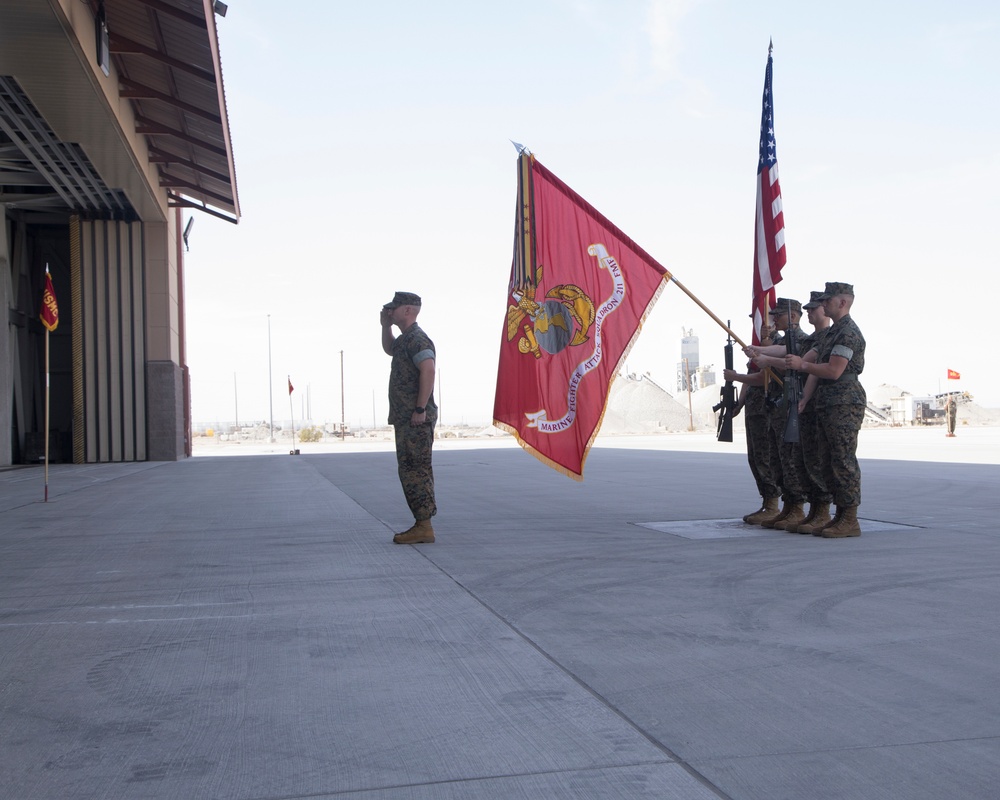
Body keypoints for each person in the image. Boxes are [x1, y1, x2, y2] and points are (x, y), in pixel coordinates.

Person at [785, 282, 866, 538]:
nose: (823, 304)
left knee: (842, 460)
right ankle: (837, 515)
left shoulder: (848, 333)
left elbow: (833, 370)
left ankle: (849, 517)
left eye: (828, 300)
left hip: (844, 402)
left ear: (842, 302)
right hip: (828, 401)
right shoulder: (833, 333)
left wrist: (803, 366)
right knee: (827, 460)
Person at [743, 299, 808, 530]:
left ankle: (797, 507)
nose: (773, 320)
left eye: (778, 315)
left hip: (792, 406)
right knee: (778, 460)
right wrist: (759, 350)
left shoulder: (801, 339)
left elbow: (785, 357)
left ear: (792, 316)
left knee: (791, 460)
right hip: (777, 407)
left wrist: (762, 354)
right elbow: (778, 353)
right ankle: (788, 507)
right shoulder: (785, 341)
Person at [381, 292, 437, 544]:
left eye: (393, 308)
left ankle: (423, 526)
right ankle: (421, 524)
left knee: (416, 470)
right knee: (409, 469)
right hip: (406, 417)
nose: (389, 312)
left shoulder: (417, 339)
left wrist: (419, 409)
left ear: (407, 311)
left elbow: (428, 369)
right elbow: (389, 349)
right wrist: (385, 327)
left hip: (415, 418)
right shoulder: (405, 340)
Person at [724, 321, 782, 525]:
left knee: (765, 457)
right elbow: (750, 379)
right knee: (755, 458)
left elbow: (762, 378)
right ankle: (768, 503)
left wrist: (735, 377)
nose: (763, 326)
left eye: (770, 322)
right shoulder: (759, 349)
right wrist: (739, 404)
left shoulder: (777, 348)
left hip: (766, 409)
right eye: (760, 322)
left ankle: (773, 504)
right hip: (753, 408)